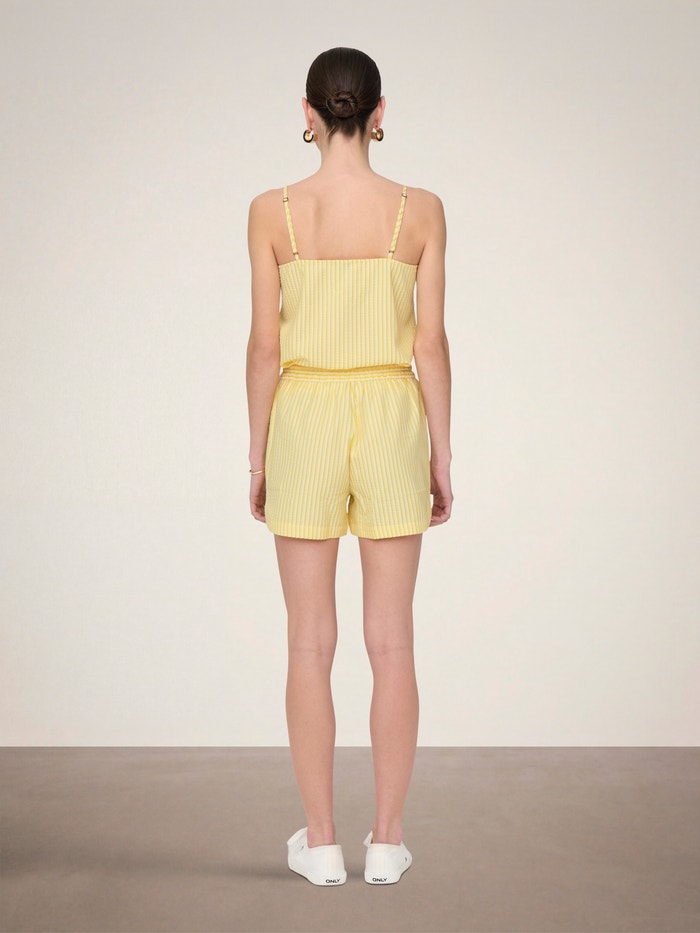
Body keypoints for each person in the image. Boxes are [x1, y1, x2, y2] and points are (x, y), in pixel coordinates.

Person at [246, 47, 452, 886]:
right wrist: (442, 451)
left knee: (309, 640)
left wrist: (258, 450)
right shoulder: (420, 211)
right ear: (378, 112)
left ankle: (323, 843)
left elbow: (265, 346)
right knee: (392, 639)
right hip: (393, 414)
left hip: (303, 415)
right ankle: (388, 843)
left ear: (307, 112)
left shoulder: (273, 212)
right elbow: (430, 344)